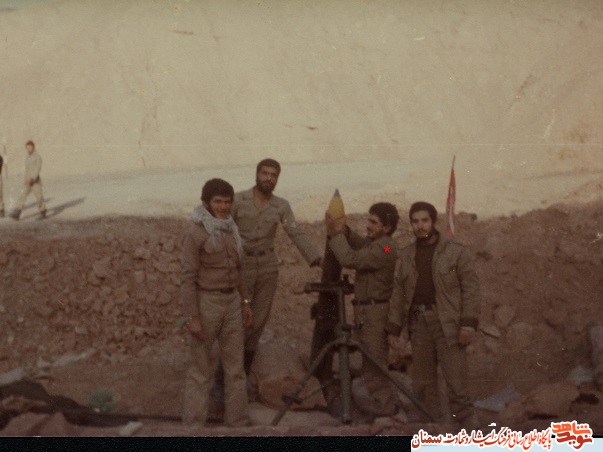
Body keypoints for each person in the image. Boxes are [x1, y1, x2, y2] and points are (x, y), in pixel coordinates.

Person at [211, 158, 321, 401]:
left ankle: (241, 378)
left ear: (277, 179)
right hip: (241, 267)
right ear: (257, 174)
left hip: (267, 268)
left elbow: (294, 230)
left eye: (273, 175)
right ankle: (221, 381)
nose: (268, 178)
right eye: (265, 173)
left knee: (257, 322)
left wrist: (315, 257)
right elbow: (221, 229)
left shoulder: (281, 206)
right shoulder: (238, 200)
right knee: (238, 323)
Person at [386, 201, 480, 429]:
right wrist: (394, 328)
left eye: (424, 220)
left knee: (456, 379)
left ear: (434, 221)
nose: (420, 226)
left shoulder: (456, 251)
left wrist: (468, 323)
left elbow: (471, 288)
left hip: (448, 322)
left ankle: (467, 427)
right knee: (423, 381)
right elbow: (399, 293)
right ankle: (430, 428)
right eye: (415, 221)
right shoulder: (407, 254)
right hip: (419, 322)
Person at [180, 178, 253, 427]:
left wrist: (245, 302)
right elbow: (188, 278)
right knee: (200, 370)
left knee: (235, 370)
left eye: (227, 202)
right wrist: (193, 317)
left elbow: (239, 269)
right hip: (206, 304)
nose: (223, 207)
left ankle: (238, 423)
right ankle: (193, 427)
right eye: (218, 202)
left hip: (232, 303)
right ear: (206, 203)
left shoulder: (232, 229)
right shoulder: (196, 234)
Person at [324, 202, 402, 419]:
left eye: (374, 222)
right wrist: (345, 231)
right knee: (369, 366)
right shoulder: (377, 244)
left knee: (375, 365)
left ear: (387, 228)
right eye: (369, 220)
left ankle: (387, 411)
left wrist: (335, 235)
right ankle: (384, 410)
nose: (368, 225)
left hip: (375, 314)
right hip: (367, 313)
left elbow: (351, 258)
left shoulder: (386, 248)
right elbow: (363, 244)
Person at [10, 140, 47, 221]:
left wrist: (32, 178)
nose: (29, 149)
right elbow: (27, 169)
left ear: (33, 147)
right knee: (22, 196)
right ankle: (17, 212)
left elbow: (38, 168)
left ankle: (43, 212)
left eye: (30, 147)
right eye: (27, 148)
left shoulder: (37, 157)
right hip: (27, 181)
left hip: (35, 181)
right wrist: (25, 179)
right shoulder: (27, 157)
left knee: (39, 197)